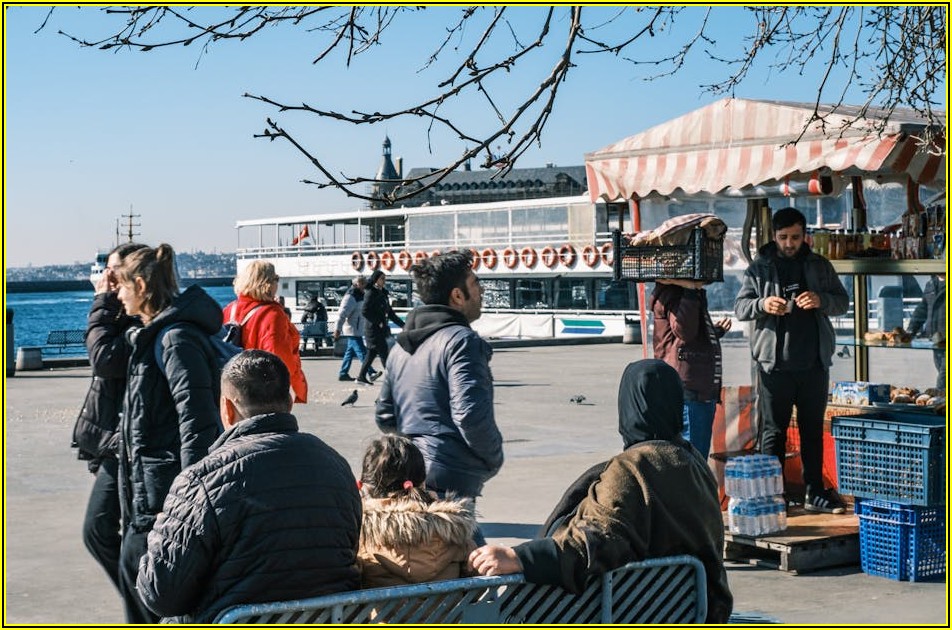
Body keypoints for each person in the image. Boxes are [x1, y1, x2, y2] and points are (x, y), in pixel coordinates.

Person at [469, 360, 733, 624]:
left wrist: (520, 558)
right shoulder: (693, 463)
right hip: (694, 610)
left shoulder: (634, 467)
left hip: (630, 611)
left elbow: (598, 539)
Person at [136, 350, 361, 623]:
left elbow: (161, 595)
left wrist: (159, 533)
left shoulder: (201, 481)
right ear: (290, 402)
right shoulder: (336, 466)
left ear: (227, 408)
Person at [113, 243, 225, 623]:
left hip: (162, 495)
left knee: (145, 584)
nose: (118, 294)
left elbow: (197, 420)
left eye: (122, 285)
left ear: (141, 286)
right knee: (135, 574)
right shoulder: (155, 335)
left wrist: (188, 496)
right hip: (148, 489)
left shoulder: (174, 340)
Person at [734, 207, 849, 513]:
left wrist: (821, 300)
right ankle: (773, 494)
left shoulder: (820, 265)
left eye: (795, 237)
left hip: (814, 363)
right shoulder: (759, 268)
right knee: (773, 432)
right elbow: (741, 308)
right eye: (784, 237)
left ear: (804, 236)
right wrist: (763, 304)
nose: (789, 243)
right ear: (775, 236)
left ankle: (815, 493)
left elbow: (842, 302)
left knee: (812, 431)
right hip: (774, 366)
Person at [375, 251, 503, 523]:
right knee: (464, 547)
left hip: (413, 476)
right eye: (475, 283)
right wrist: (492, 458)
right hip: (452, 478)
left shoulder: (400, 347)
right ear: (457, 295)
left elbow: (385, 415)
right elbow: (469, 415)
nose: (481, 291)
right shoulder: (462, 342)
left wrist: (413, 454)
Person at [71, 242, 146, 593]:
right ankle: (142, 600)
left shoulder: (136, 318)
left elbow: (103, 358)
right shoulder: (122, 313)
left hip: (128, 440)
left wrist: (102, 301)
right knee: (106, 532)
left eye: (112, 270)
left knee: (104, 530)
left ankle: (146, 601)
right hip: (115, 437)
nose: (106, 276)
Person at [358, 435, 477, 588]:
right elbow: (476, 585)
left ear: (362, 486)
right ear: (422, 483)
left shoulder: (358, 536)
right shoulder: (455, 532)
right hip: (446, 605)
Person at [650, 278, 731, 459]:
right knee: (693, 458)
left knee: (692, 455)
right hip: (690, 392)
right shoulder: (677, 293)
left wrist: (714, 332)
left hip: (693, 389)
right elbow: (684, 330)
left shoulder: (682, 294)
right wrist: (690, 291)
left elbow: (683, 337)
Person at [222, 260, 307, 403]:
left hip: (232, 387)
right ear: (266, 283)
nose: (277, 284)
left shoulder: (230, 309)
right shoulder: (272, 314)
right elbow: (278, 358)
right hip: (263, 390)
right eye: (276, 279)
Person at [356, 270, 405, 385]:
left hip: (381, 329)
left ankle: (361, 376)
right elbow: (365, 311)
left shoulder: (383, 293)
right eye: (382, 278)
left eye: (385, 278)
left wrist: (403, 325)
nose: (384, 281)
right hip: (373, 330)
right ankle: (392, 379)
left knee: (372, 353)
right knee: (383, 353)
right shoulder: (371, 293)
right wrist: (378, 322)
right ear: (376, 280)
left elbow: (390, 313)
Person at [333, 275, 378, 382]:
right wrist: (337, 329)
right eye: (363, 283)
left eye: (365, 283)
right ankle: (371, 372)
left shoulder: (360, 295)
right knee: (361, 351)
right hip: (352, 329)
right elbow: (342, 314)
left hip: (356, 328)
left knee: (349, 353)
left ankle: (343, 373)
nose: (365, 286)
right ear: (357, 284)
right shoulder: (351, 296)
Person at [907, 274, 945, 390]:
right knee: (941, 371)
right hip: (936, 341)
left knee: (943, 380)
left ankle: (940, 398)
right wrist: (910, 331)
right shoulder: (931, 284)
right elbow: (922, 309)